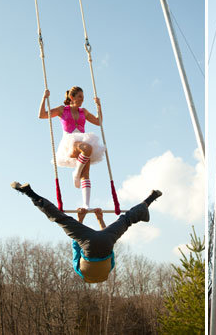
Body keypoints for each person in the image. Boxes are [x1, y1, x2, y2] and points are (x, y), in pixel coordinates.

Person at [11, 181, 162, 283]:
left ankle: (150, 198)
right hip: (88, 244)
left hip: (105, 243)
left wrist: (99, 220)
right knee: (60, 219)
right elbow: (76, 244)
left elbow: (107, 242)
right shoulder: (80, 272)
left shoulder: (107, 269)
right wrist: (79, 219)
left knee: (126, 219)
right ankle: (30, 193)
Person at [39, 86, 105, 208]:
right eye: (80, 96)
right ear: (72, 97)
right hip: (70, 141)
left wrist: (99, 106)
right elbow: (42, 115)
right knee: (87, 148)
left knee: (86, 173)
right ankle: (76, 173)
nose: (82, 99)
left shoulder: (83, 111)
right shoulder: (62, 110)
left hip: (83, 138)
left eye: (83, 97)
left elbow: (98, 122)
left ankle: (86, 204)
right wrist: (44, 97)